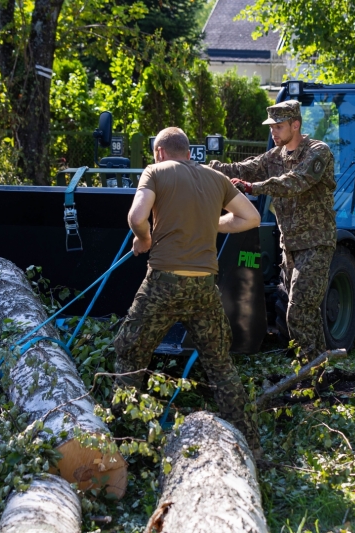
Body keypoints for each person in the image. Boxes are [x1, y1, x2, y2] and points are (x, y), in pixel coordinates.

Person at [112, 127, 263, 454]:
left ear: (161, 153)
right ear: (188, 152)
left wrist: (144, 239)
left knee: (130, 350)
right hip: (203, 286)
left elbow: (136, 216)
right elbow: (251, 217)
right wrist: (214, 224)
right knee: (220, 365)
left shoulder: (155, 171)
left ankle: (122, 445)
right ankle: (251, 447)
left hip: (163, 282)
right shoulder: (215, 178)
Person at [208, 100, 336, 360]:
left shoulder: (318, 152)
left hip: (315, 244)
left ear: (295, 125)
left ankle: (309, 374)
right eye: (271, 127)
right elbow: (244, 168)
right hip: (289, 247)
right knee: (303, 314)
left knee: (298, 311)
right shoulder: (275, 155)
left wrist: (253, 187)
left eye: (278, 126)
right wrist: (206, 169)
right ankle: (318, 372)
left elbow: (295, 182)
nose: (273, 132)